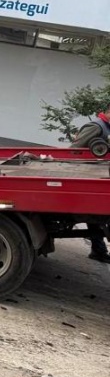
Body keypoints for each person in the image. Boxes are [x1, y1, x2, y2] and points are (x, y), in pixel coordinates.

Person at [71, 105, 110, 263]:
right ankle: (99, 250)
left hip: (96, 176)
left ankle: (98, 251)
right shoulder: (96, 126)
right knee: (97, 216)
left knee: (96, 218)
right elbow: (73, 150)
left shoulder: (106, 127)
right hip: (87, 176)